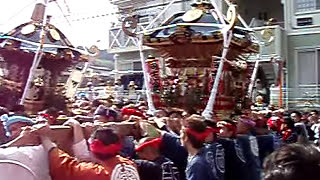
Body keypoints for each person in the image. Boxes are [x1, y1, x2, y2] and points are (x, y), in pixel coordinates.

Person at [35, 123, 140, 180]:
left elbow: (64, 164)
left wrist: (44, 137)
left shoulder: (97, 173)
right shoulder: (128, 164)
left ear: (93, 149)